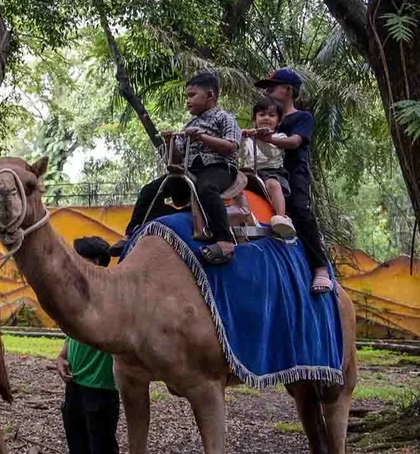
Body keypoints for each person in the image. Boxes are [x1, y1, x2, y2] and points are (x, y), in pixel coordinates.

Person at [49, 236, 124, 454]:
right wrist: (62, 357)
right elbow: (72, 334)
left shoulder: (113, 297)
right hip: (76, 385)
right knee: (80, 451)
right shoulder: (77, 296)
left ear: (93, 263)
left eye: (77, 258)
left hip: (102, 388)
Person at [125, 70, 242, 265]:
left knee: (206, 189)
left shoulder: (225, 118)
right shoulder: (190, 123)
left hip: (219, 168)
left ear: (210, 95)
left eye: (192, 95)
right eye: (186, 96)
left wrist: (202, 137)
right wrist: (169, 141)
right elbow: (177, 159)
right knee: (150, 190)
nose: (187, 101)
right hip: (190, 172)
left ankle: (224, 242)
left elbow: (231, 147)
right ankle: (131, 233)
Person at [254, 68, 332, 294]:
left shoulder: (302, 117)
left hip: (293, 171)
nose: (267, 90)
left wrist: (269, 138)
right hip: (266, 172)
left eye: (272, 86)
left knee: (300, 209)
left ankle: (320, 268)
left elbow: (295, 142)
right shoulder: (268, 117)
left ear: (288, 90)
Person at [241, 96, 296, 240]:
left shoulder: (280, 137)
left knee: (273, 185)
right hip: (250, 172)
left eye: (272, 115)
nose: (266, 118)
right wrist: (241, 138)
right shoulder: (249, 138)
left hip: (272, 172)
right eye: (262, 114)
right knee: (234, 183)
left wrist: (261, 140)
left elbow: (270, 154)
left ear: (278, 121)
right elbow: (241, 154)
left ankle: (281, 217)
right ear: (255, 119)